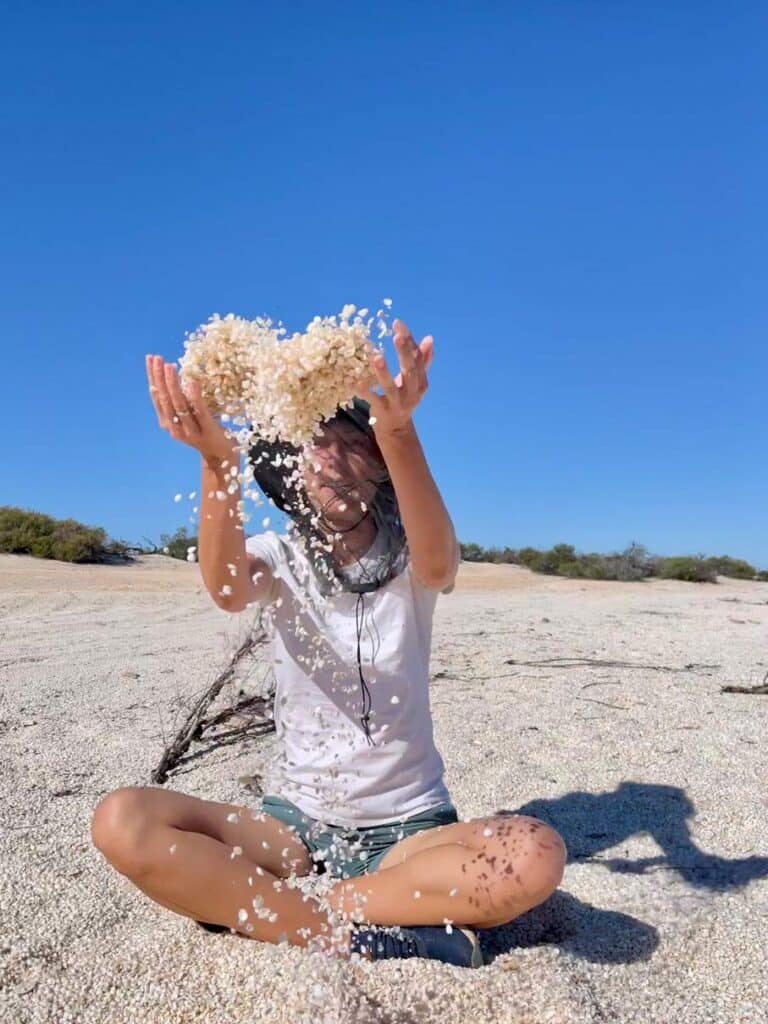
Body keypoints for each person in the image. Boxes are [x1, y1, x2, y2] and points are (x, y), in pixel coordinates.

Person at [91, 319, 567, 968]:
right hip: (290, 826)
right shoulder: (278, 555)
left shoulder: (409, 556)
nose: (336, 460)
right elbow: (228, 587)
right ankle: (375, 920)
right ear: (292, 462)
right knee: (122, 821)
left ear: (380, 467)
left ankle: (277, 912)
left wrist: (397, 429)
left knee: (534, 857)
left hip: (407, 830)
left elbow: (439, 564)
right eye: (319, 443)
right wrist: (215, 461)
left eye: (357, 444)